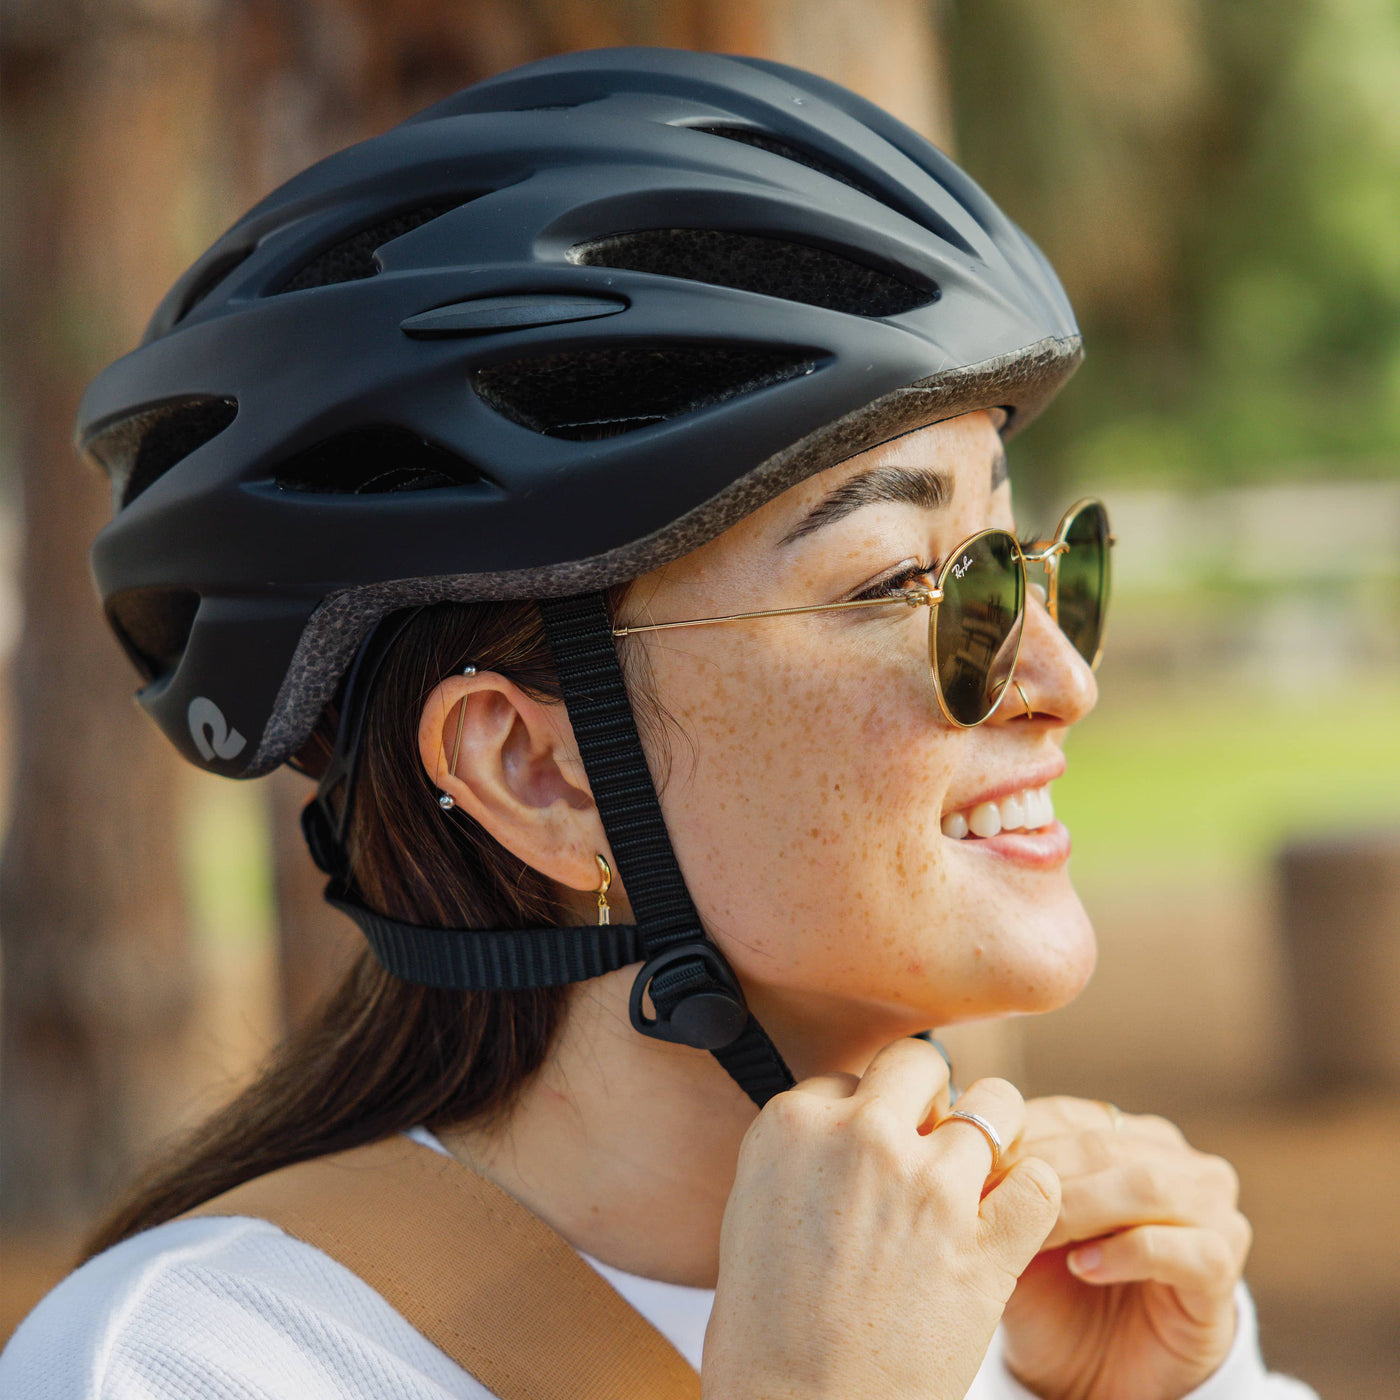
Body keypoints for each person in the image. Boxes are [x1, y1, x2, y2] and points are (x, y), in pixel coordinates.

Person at [1, 47, 1314, 1400]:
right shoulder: (192, 1364)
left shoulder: (1076, 1311)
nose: (1057, 674)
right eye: (903, 582)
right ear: (540, 772)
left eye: (1033, 561)